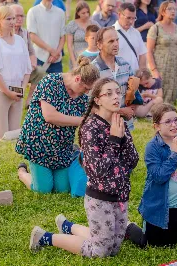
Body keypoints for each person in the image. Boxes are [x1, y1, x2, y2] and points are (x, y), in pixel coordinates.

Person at [28, 78, 139, 257]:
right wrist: (114, 140)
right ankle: (45, 237)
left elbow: (132, 160)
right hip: (100, 197)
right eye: (108, 93)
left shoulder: (120, 123)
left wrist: (123, 137)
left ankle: (68, 226)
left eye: (118, 92)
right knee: (100, 251)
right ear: (97, 99)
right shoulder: (90, 128)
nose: (115, 97)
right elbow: (98, 170)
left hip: (120, 194)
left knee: (114, 249)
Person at [16, 57, 100, 194]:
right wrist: (82, 121)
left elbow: (96, 113)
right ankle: (22, 172)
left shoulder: (82, 96)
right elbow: (50, 116)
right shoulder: (50, 82)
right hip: (39, 143)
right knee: (43, 190)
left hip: (62, 147)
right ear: (77, 79)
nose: (86, 93)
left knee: (63, 189)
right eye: (86, 89)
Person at [127, 103, 177, 248]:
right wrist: (174, 155)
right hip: (157, 205)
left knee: (170, 244)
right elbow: (159, 177)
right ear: (156, 126)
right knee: (149, 244)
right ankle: (128, 227)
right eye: (168, 121)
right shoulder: (152, 147)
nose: (174, 124)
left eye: (176, 119)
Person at [0, 6, 31, 140]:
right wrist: (7, 91)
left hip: (17, 90)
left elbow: (27, 68)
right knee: (2, 134)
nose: (12, 22)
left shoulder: (20, 40)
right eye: (8, 19)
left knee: (15, 134)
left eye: (13, 18)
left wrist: (21, 89)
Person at [147, 0, 177, 104]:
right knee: (159, 96)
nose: (173, 11)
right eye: (170, 9)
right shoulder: (155, 28)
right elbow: (149, 51)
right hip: (160, 68)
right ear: (163, 12)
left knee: (172, 95)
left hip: (173, 69)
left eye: (175, 9)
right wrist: (154, 70)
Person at [91, 27, 138, 131]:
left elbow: (133, 94)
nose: (116, 44)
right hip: (102, 128)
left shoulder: (125, 65)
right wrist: (121, 111)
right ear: (99, 45)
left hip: (125, 125)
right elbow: (89, 105)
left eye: (117, 40)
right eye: (111, 41)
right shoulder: (93, 70)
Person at [10, 4, 45, 109]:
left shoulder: (25, 32)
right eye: (17, 16)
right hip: (10, 70)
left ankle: (29, 99)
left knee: (40, 72)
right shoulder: (6, 32)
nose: (20, 19)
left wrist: (33, 63)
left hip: (25, 68)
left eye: (22, 16)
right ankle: (14, 101)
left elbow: (31, 52)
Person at [27, 0, 65, 74]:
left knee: (57, 85)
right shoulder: (33, 12)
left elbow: (63, 37)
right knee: (37, 85)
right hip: (39, 58)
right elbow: (32, 36)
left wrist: (56, 53)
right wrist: (51, 51)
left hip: (56, 60)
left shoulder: (60, 13)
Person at [65, 1, 100, 69]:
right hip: (77, 59)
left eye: (87, 12)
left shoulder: (94, 23)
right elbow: (69, 45)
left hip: (92, 58)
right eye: (83, 13)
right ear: (78, 13)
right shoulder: (72, 25)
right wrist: (74, 62)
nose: (86, 15)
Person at [114, 2, 147, 73]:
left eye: (134, 18)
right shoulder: (111, 32)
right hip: (118, 76)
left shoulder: (136, 33)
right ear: (119, 15)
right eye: (128, 18)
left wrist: (141, 73)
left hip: (135, 77)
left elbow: (142, 55)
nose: (131, 21)